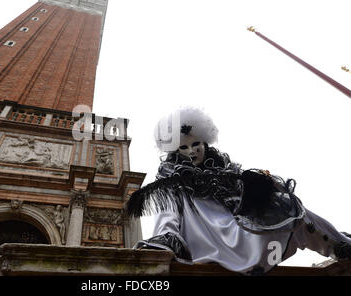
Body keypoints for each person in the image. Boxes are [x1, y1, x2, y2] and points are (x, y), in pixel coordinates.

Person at [126, 107, 351, 275]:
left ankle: (340, 245)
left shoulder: (229, 171)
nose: (192, 151)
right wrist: (166, 240)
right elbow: (168, 214)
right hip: (209, 245)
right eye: (184, 148)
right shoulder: (173, 182)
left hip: (241, 233)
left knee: (297, 215)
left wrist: (265, 184)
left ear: (205, 142)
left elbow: (255, 199)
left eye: (196, 145)